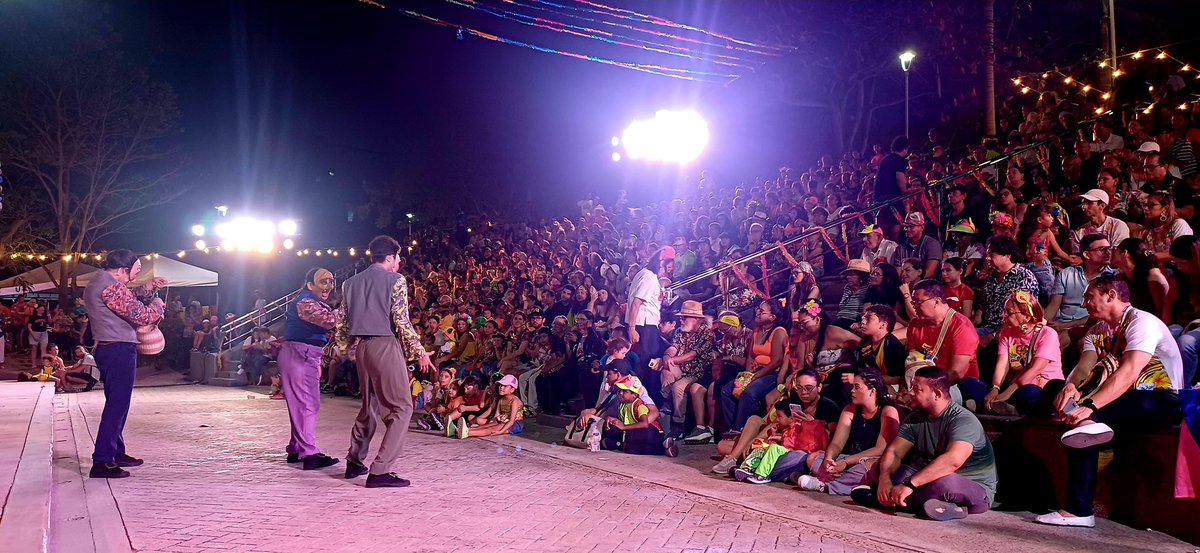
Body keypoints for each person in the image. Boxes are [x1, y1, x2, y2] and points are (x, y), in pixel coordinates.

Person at [1039, 275, 1184, 527]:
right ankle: (1086, 425)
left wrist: (1090, 406)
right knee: (1053, 389)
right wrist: (1071, 387)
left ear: (1111, 296)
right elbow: (1084, 369)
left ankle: (1079, 510)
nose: (1084, 304)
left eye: (1089, 297)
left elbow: (1128, 373)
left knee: (1088, 420)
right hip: (1124, 399)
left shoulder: (1142, 323)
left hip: (1161, 400)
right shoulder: (1097, 331)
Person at [335, 236, 435, 488]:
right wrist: (419, 351)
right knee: (402, 408)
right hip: (384, 344)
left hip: (362, 348)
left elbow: (343, 322)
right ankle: (380, 470)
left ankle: (354, 461)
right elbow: (401, 320)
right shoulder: (395, 280)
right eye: (398, 257)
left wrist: (345, 348)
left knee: (370, 406)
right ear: (389, 257)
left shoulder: (350, 283)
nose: (400, 262)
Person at [853, 367, 997, 521]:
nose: (910, 393)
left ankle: (884, 499)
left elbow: (952, 461)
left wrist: (909, 485)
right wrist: (884, 479)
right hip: (925, 479)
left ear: (937, 394)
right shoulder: (915, 418)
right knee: (879, 468)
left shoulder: (964, 420)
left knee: (945, 483)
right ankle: (931, 505)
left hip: (970, 485)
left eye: (917, 389)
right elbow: (895, 452)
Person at [82, 249, 166, 478]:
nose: (134, 278)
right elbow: (143, 316)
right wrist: (158, 303)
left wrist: (146, 289)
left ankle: (115, 452)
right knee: (117, 406)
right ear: (122, 270)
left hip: (108, 348)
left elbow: (125, 299)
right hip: (118, 349)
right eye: (134, 273)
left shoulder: (99, 281)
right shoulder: (110, 287)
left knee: (116, 404)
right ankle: (102, 461)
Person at [797, 368, 902, 495]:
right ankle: (844, 481)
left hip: (869, 461)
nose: (852, 391)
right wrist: (829, 460)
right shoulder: (850, 410)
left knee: (871, 467)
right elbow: (837, 444)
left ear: (872, 391)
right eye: (852, 387)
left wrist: (846, 462)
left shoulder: (888, 411)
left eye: (857, 387)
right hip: (851, 461)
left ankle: (825, 485)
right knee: (813, 458)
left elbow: (881, 449)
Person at [279, 268, 342, 471]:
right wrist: (349, 308)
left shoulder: (309, 300)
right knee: (308, 405)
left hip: (301, 354)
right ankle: (309, 454)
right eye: (322, 282)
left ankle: (297, 448)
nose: (327, 287)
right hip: (301, 355)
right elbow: (331, 321)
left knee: (301, 405)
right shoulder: (305, 302)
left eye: (330, 282)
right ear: (310, 285)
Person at [983, 291, 1065, 416]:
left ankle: (1009, 408)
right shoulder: (1006, 332)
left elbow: (1035, 369)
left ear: (1027, 316)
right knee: (971, 384)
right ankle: (999, 406)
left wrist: (1008, 392)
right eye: (1004, 312)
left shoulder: (1047, 334)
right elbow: (1002, 363)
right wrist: (995, 388)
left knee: (1029, 393)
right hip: (1014, 384)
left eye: (1009, 313)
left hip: (1042, 388)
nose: (1004, 316)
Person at [905, 280, 985, 406]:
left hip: (953, 385)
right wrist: (908, 389)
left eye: (918, 301)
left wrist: (925, 391)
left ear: (936, 301)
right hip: (921, 384)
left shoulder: (961, 326)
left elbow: (956, 373)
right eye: (913, 301)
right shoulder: (915, 325)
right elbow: (912, 363)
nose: (914, 305)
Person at [720, 300, 788, 434]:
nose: (757, 313)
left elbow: (776, 361)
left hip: (770, 373)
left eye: (762, 312)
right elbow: (751, 356)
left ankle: (741, 430)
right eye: (758, 309)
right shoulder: (757, 331)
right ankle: (731, 430)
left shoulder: (779, 332)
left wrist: (755, 377)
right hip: (755, 372)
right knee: (727, 390)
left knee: (749, 393)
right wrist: (746, 375)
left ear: (772, 317)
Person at [662, 300, 715, 441]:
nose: (681, 319)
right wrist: (667, 356)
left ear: (697, 319)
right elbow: (674, 347)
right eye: (681, 316)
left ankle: (678, 424)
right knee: (665, 371)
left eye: (684, 317)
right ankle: (666, 402)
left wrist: (671, 361)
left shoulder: (707, 334)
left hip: (698, 373)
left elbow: (693, 355)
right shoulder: (680, 332)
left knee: (678, 387)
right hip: (681, 369)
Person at [626, 247, 673, 404]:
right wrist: (632, 328)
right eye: (668, 268)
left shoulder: (646, 275)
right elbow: (637, 303)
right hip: (644, 326)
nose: (667, 273)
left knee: (650, 362)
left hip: (647, 325)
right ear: (661, 264)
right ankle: (636, 399)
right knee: (644, 365)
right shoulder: (649, 277)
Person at [976, 236, 1040, 341]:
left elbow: (1021, 315)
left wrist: (992, 336)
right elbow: (981, 309)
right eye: (987, 255)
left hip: (1014, 329)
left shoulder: (1024, 277)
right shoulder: (992, 277)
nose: (987, 258)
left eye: (991, 254)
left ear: (1007, 256)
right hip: (988, 328)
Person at [602, 376, 678, 457]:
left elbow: (645, 424)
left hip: (650, 431)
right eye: (621, 391)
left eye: (624, 391)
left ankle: (661, 449)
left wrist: (625, 427)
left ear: (634, 395)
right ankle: (618, 444)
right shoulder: (622, 404)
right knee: (616, 430)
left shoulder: (639, 405)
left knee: (631, 442)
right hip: (633, 430)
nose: (620, 393)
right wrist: (612, 420)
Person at [1071, 189, 1129, 254]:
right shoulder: (1079, 232)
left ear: (1102, 206)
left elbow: (1117, 253)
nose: (1084, 206)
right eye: (1083, 203)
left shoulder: (1118, 226)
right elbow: (1076, 256)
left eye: (1089, 203)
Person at [894, 212, 942, 279]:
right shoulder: (900, 248)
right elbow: (897, 274)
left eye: (911, 227)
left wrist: (913, 280)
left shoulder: (932, 244)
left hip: (927, 286)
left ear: (922, 227)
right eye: (906, 226)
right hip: (905, 286)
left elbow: (930, 271)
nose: (907, 229)